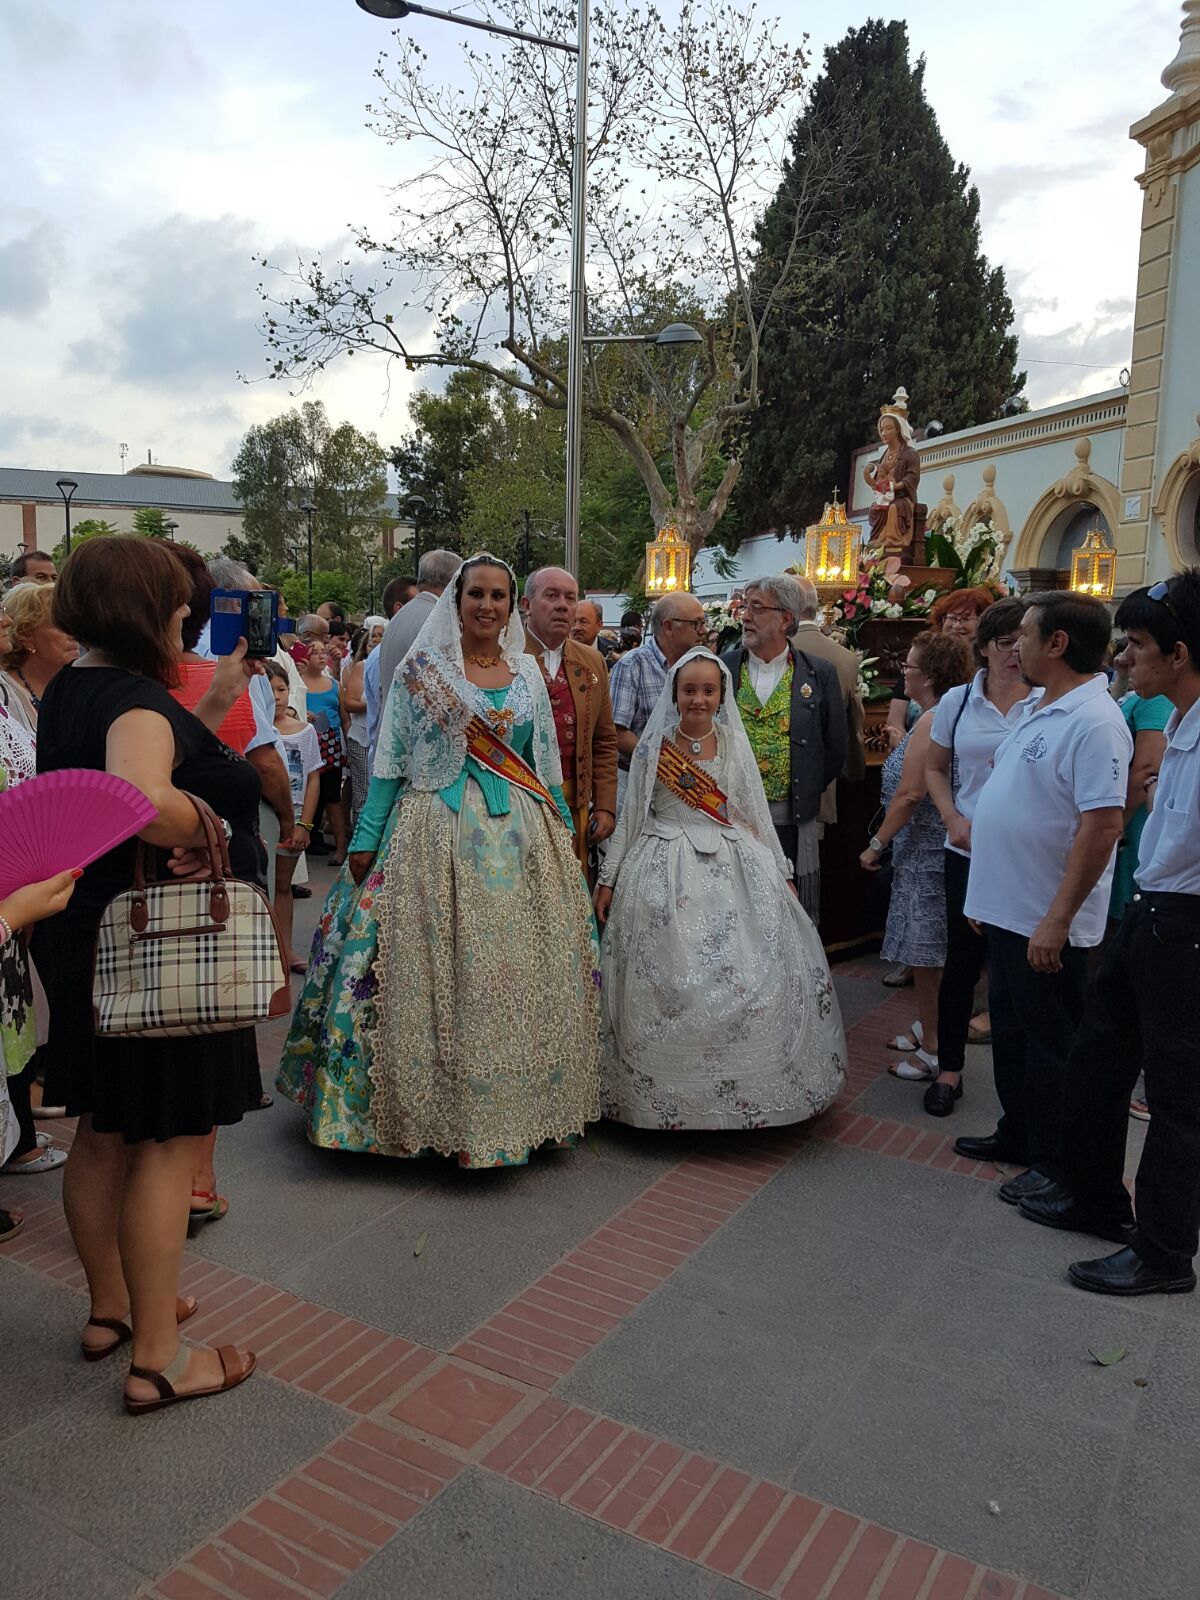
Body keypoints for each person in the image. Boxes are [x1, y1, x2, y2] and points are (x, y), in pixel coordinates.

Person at [277, 554, 601, 1167]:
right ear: (457, 601)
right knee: (434, 969)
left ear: (512, 607)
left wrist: (565, 834)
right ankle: (429, 1111)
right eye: (475, 594)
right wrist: (366, 837)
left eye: (498, 597)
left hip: (521, 835)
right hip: (432, 833)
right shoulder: (422, 673)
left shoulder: (529, 674)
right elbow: (390, 761)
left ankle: (517, 1109)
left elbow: (548, 767)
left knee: (514, 973)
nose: (487, 606)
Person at [35, 536, 257, 1412]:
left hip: (85, 927)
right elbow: (137, 795)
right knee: (165, 1142)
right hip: (154, 946)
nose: (185, 613)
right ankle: (162, 1358)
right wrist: (205, 818)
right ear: (143, 608)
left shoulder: (72, 689)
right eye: (174, 600)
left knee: (101, 1131)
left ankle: (116, 1310)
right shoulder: (133, 702)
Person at [1016, 573, 1200, 1295]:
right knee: (1096, 1060)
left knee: (1180, 1103)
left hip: (1186, 923)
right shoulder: (1181, 717)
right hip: (1155, 909)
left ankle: (1162, 1254)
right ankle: (1093, 1198)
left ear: (1180, 653)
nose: (1125, 656)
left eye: (1141, 644)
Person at [595, 647, 845, 1129]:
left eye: (708, 690)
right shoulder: (654, 747)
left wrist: (781, 871)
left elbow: (752, 814)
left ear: (721, 694)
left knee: (747, 970)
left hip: (730, 863)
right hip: (662, 865)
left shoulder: (733, 745)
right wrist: (608, 879)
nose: (698, 698)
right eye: (689, 690)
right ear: (675, 693)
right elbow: (631, 818)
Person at [954, 592, 1130, 1205]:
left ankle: (1057, 1162)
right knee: (1012, 1032)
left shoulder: (1095, 720)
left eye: (1024, 635)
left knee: (1053, 1043)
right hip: (1006, 907)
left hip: (1045, 919)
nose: (1014, 645)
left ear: (1058, 645)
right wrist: (983, 893)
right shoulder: (1039, 706)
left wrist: (1057, 919)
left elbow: (1103, 825)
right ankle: (1020, 1133)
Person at [923, 599, 1034, 1117]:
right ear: (984, 647)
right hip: (965, 848)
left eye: (1024, 640)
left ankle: (1023, 1089)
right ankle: (949, 1069)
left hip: (1024, 855)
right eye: (1006, 642)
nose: (1016, 652)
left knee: (1015, 969)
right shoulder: (959, 702)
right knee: (961, 964)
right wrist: (951, 818)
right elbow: (936, 769)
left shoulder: (1046, 701)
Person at [860, 631, 971, 1081]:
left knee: (927, 956)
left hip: (925, 851)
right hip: (923, 849)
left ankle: (935, 1049)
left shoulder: (934, 719)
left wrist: (875, 844)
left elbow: (909, 794)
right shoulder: (933, 716)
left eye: (908, 666)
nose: (902, 671)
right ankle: (931, 1024)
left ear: (929, 675)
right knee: (930, 954)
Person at [721, 574, 847, 922]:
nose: (745, 616)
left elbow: (834, 747)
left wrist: (804, 786)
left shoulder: (818, 673)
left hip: (789, 820)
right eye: (745, 606)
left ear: (786, 619)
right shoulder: (723, 669)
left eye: (756, 608)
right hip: (732, 820)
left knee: (786, 916)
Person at [0, 595, 70, 1178]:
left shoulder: (20, 695)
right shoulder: (10, 694)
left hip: (26, 888)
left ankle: (17, 1131)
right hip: (12, 894)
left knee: (17, 1016)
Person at [521, 567, 618, 878]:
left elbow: (603, 741)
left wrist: (604, 805)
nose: (562, 605)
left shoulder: (593, 662)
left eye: (570, 598)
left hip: (574, 810)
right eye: (551, 596)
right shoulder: (503, 655)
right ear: (527, 604)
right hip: (516, 809)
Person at [610, 593, 706, 798]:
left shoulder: (698, 666)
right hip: (638, 784)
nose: (703, 631)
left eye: (704, 622)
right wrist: (667, 764)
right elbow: (617, 733)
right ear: (669, 627)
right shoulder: (632, 665)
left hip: (689, 785)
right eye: (696, 623)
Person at [789, 574, 866, 825]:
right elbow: (852, 726)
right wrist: (855, 771)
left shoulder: (774, 648)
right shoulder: (845, 657)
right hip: (823, 782)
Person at [372, 550, 460, 754]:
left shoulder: (400, 616)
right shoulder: (439, 619)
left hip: (392, 736)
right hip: (420, 746)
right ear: (454, 581)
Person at [264, 660, 322, 971]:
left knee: (283, 886)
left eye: (282, 689)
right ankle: (264, 952)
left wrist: (305, 823)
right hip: (264, 819)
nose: (277, 697)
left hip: (295, 818)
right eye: (269, 690)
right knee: (264, 886)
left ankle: (285, 951)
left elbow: (314, 777)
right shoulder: (256, 730)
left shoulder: (305, 731)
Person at [0, 580, 79, 733]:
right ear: (25, 635)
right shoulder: (5, 695)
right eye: (61, 625)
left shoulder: (79, 689)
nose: (74, 633)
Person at [298, 638, 349, 865]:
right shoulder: (296, 684)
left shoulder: (335, 686)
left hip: (330, 748)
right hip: (306, 748)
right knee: (303, 797)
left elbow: (345, 720)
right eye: (314, 652)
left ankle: (340, 846)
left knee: (332, 798)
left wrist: (349, 746)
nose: (320, 656)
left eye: (322, 652)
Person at [343, 616, 386, 826]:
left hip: (382, 738)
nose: (377, 641)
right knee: (363, 793)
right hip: (361, 737)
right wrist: (378, 702)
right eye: (373, 638)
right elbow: (349, 702)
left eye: (381, 637)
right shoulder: (362, 666)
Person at [863, 403, 921, 555]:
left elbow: (912, 478)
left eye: (888, 428)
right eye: (882, 429)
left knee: (894, 508)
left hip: (902, 498)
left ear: (898, 430)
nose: (884, 433)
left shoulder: (910, 454)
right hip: (885, 496)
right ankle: (877, 542)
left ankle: (893, 541)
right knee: (875, 508)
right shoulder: (884, 454)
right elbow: (878, 477)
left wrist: (895, 487)